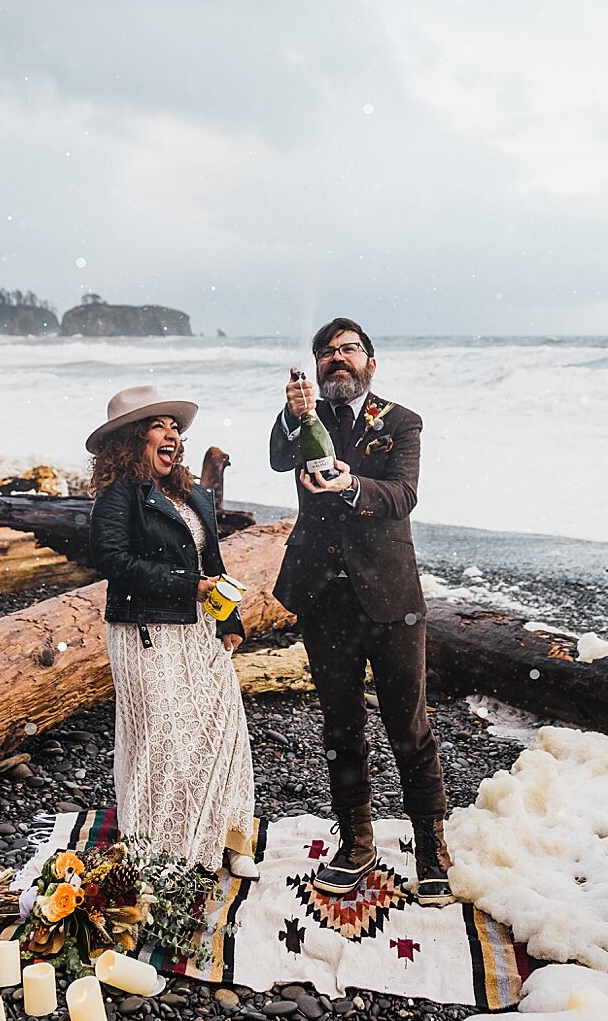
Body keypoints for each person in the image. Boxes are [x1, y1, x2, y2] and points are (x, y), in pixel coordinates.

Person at [269, 318, 453, 906]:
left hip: (391, 597)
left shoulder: (401, 421)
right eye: (327, 352)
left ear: (370, 363)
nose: (336, 358)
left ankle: (431, 848)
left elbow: (403, 495)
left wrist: (351, 485)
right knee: (340, 727)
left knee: (410, 727)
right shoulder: (306, 420)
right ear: (318, 368)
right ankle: (357, 842)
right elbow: (277, 458)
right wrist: (290, 414)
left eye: (349, 350)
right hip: (325, 597)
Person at [87, 384, 259, 879]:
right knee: (163, 737)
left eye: (176, 429)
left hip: (200, 628)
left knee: (222, 728)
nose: (173, 437)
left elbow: (213, 561)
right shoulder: (117, 496)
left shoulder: (190, 493)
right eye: (159, 427)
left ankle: (230, 835)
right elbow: (112, 560)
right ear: (130, 440)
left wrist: (228, 617)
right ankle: (163, 847)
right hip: (146, 630)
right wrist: (188, 585)